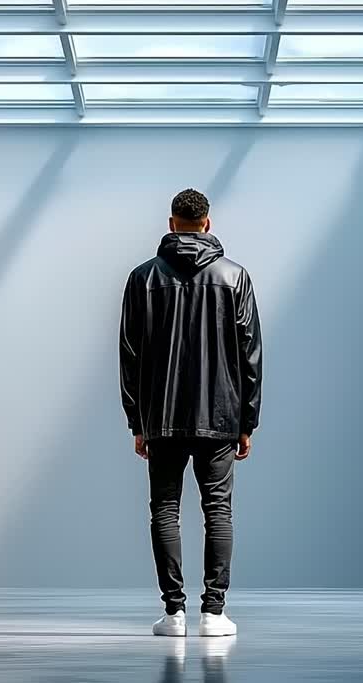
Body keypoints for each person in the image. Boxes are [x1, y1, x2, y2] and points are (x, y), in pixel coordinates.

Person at [119, 188, 263, 638]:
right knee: (217, 510)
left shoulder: (142, 279)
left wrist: (136, 421)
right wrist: (247, 421)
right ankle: (214, 614)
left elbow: (130, 355)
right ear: (207, 223)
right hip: (220, 416)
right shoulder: (234, 276)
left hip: (160, 416)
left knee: (164, 509)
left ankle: (174, 614)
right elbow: (250, 356)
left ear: (170, 223)